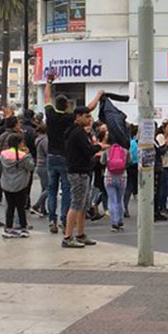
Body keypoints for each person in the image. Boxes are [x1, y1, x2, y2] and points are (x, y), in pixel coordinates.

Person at [44, 76, 103, 234]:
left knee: (51, 189)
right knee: (67, 190)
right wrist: (98, 95)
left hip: (51, 156)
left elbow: (46, 97)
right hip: (65, 157)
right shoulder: (70, 119)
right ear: (68, 106)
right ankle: (64, 219)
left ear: (55, 105)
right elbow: (89, 108)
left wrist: (49, 82)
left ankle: (52, 219)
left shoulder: (50, 115)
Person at [63, 106, 107, 248]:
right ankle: (67, 236)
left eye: (90, 116)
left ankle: (80, 234)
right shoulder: (77, 133)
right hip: (78, 172)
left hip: (83, 171)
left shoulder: (77, 131)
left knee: (82, 205)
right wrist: (100, 147)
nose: (90, 119)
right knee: (76, 204)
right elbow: (88, 151)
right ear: (78, 117)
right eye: (86, 117)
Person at [0, 133, 35, 239]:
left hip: (6, 184)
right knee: (20, 207)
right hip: (21, 184)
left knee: (10, 207)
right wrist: (29, 154)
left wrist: (2, 180)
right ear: (19, 144)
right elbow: (31, 167)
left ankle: (8, 228)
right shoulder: (23, 156)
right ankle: (23, 228)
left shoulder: (3, 154)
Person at [100, 127, 128, 232]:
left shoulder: (107, 151)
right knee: (120, 199)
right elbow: (128, 162)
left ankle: (114, 223)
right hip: (122, 176)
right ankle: (121, 221)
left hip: (109, 176)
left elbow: (102, 162)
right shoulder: (125, 151)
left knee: (112, 200)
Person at [31, 124, 49, 216]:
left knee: (44, 187)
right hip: (45, 165)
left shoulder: (38, 139)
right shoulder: (45, 140)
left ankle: (42, 208)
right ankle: (36, 206)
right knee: (49, 188)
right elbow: (48, 152)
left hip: (39, 165)